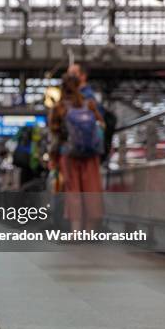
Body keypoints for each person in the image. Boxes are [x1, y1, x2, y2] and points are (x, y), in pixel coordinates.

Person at [49, 74, 105, 233]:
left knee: (73, 191)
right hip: (91, 154)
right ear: (79, 85)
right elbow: (101, 124)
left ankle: (75, 232)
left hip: (68, 154)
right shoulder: (90, 104)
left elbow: (55, 135)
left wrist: (53, 158)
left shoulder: (59, 108)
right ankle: (90, 231)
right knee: (91, 189)